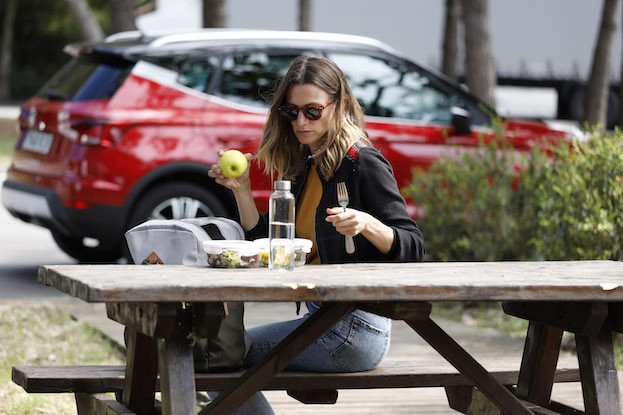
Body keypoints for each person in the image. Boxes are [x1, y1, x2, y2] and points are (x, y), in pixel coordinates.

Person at [208, 55, 425, 413]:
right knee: (215, 353)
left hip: (356, 329)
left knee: (219, 358)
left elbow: (413, 246)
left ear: (337, 105)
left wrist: (366, 223)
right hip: (321, 321)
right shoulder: (308, 165)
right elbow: (268, 241)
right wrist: (242, 190)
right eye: (292, 113)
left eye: (312, 111)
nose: (301, 122)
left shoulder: (361, 162)